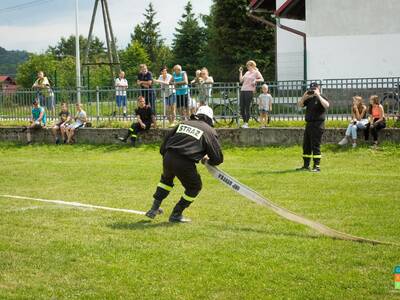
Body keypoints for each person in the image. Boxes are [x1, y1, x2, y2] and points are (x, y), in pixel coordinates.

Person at [145, 105, 223, 223]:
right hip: (184, 161)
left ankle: (153, 209)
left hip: (168, 155)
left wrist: (166, 155)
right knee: (194, 187)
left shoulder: (184, 123)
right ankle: (176, 213)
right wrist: (207, 160)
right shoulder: (209, 130)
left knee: (166, 181)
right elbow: (217, 158)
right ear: (209, 119)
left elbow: (166, 141)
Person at [297, 82, 330, 172]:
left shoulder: (322, 97)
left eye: (314, 88)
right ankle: (306, 165)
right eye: (311, 88)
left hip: (318, 125)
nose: (313, 90)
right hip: (309, 124)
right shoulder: (309, 99)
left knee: (315, 145)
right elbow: (299, 105)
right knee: (306, 145)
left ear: (318, 88)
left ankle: (316, 166)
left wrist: (318, 95)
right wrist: (304, 96)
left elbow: (327, 105)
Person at [239, 60, 264, 128]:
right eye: (247, 66)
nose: (247, 67)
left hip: (249, 91)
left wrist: (255, 80)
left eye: (248, 66)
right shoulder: (247, 72)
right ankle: (244, 122)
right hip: (243, 90)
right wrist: (241, 72)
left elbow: (262, 79)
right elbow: (241, 80)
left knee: (247, 107)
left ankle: (246, 123)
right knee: (241, 107)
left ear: (252, 66)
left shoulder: (256, 72)